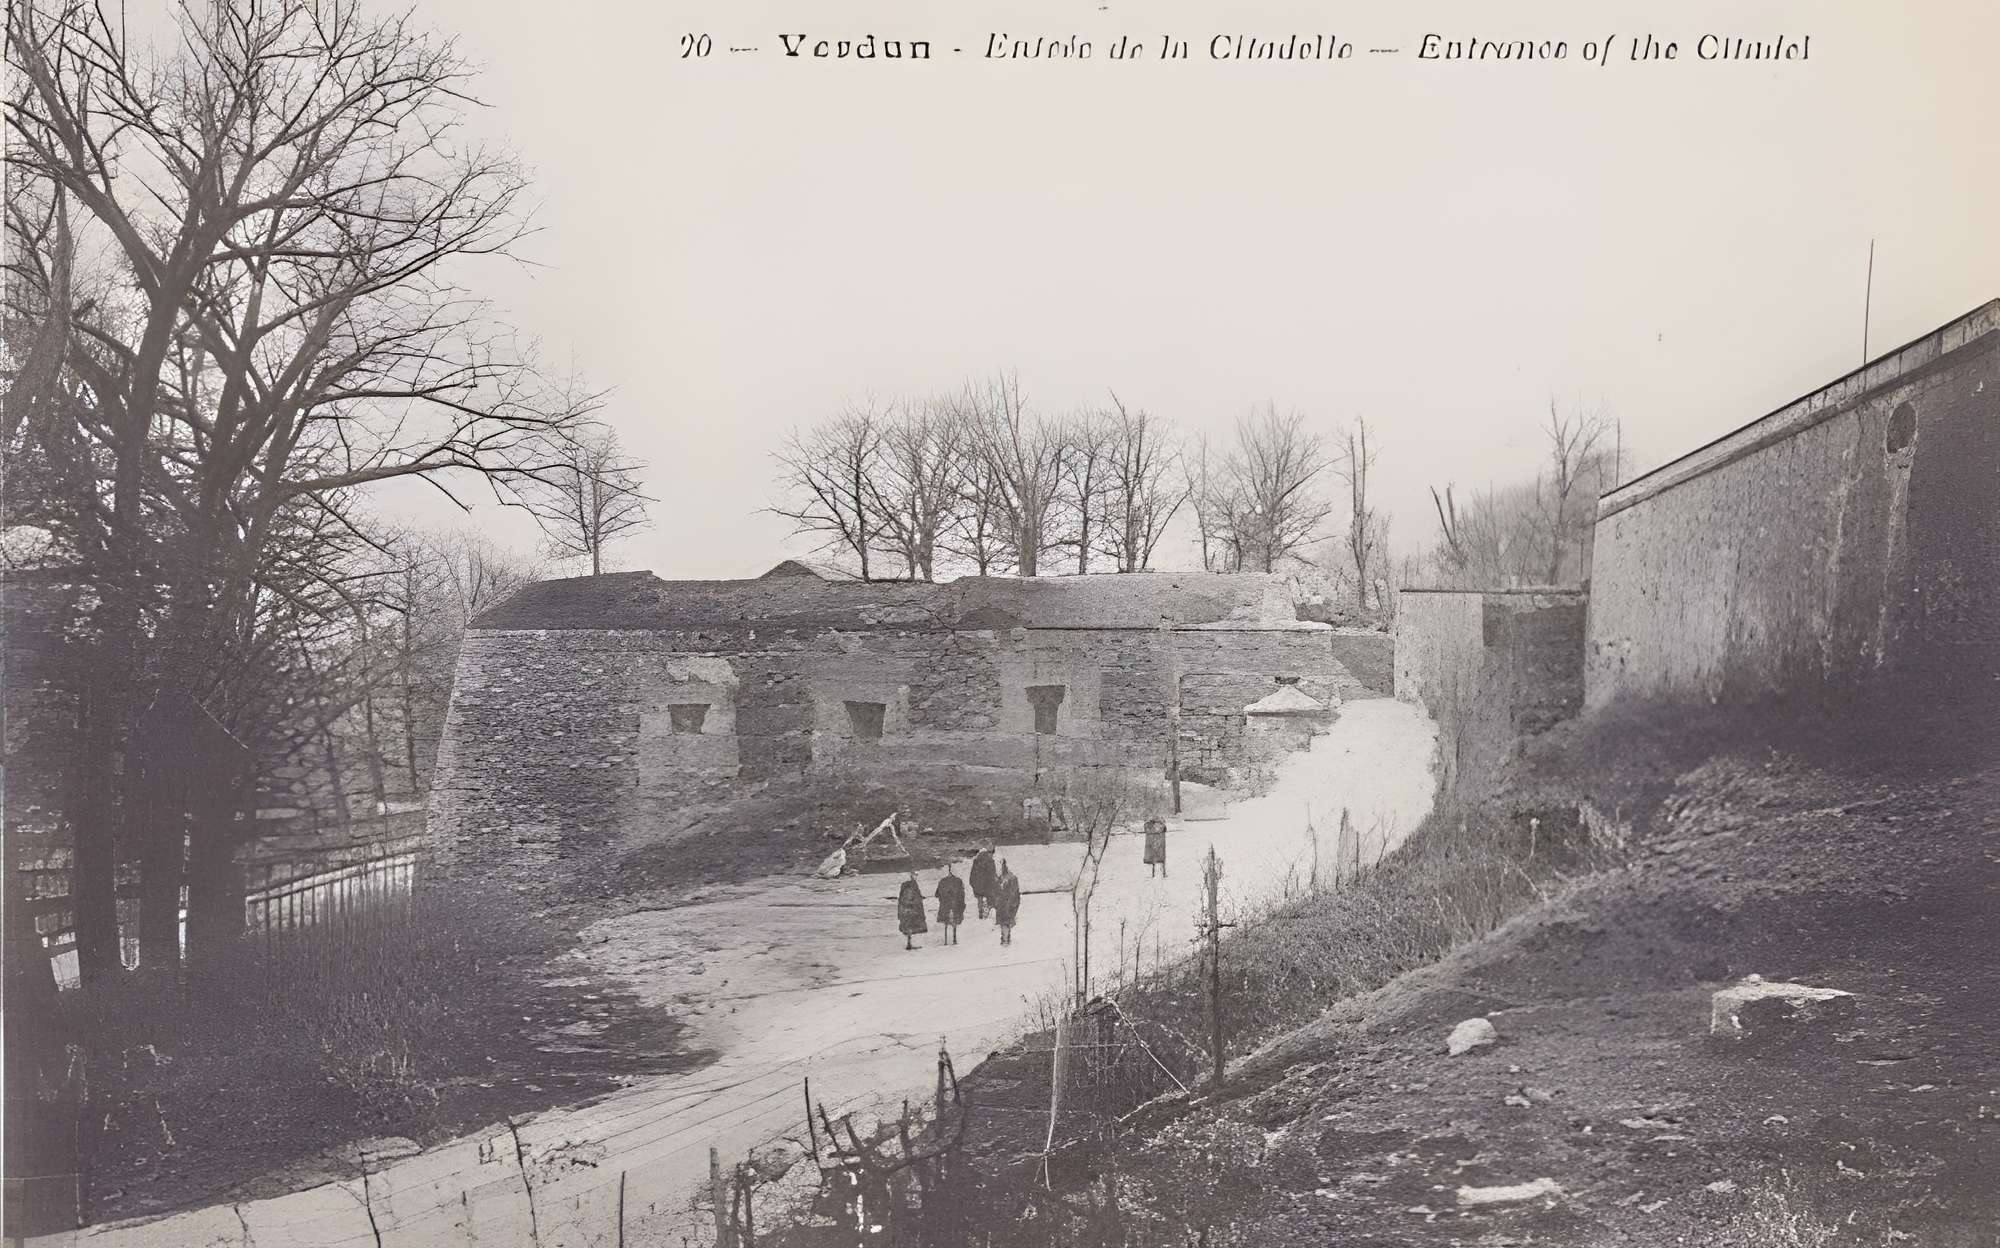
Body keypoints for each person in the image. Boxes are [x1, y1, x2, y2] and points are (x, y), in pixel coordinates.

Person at [934, 863, 966, 945]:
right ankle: (954, 939)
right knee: (954, 922)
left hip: (945, 905)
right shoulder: (958, 881)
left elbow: (937, 894)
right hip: (955, 905)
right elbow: (962, 894)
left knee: (945, 923)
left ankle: (945, 941)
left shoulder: (942, 881)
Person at [897, 871, 928, 950]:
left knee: (909, 926)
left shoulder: (909, 884)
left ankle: (909, 943)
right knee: (910, 925)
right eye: (915, 875)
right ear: (911, 875)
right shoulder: (910, 885)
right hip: (910, 908)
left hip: (908, 908)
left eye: (916, 875)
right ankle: (909, 944)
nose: (916, 876)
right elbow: (909, 896)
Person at [994, 860, 1022, 946]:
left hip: (1008, 904)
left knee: (1005, 921)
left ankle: (1006, 939)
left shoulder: (1011, 878)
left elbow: (1014, 893)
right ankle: (1005, 937)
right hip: (1002, 904)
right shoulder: (999, 878)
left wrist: (1011, 904)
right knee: (1004, 922)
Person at [969, 842, 998, 919]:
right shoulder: (990, 861)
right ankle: (986, 911)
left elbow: (973, 873)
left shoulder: (978, 859)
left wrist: (973, 883)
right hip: (985, 886)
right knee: (988, 898)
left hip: (977, 884)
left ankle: (981, 913)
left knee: (980, 898)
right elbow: (992, 875)